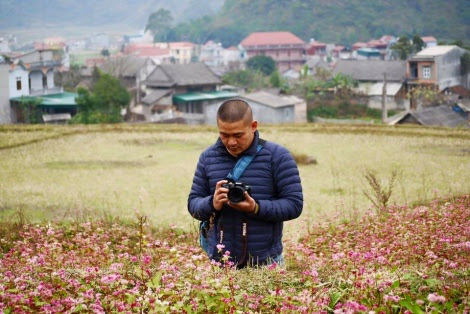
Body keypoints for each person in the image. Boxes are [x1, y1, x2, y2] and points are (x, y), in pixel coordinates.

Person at [188, 99, 303, 268]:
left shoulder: (278, 156)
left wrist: (255, 207)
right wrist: (212, 203)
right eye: (224, 135)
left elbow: (294, 205)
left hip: (266, 263)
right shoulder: (208, 158)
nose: (231, 142)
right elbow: (193, 204)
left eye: (238, 135)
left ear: (253, 126)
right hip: (220, 264)